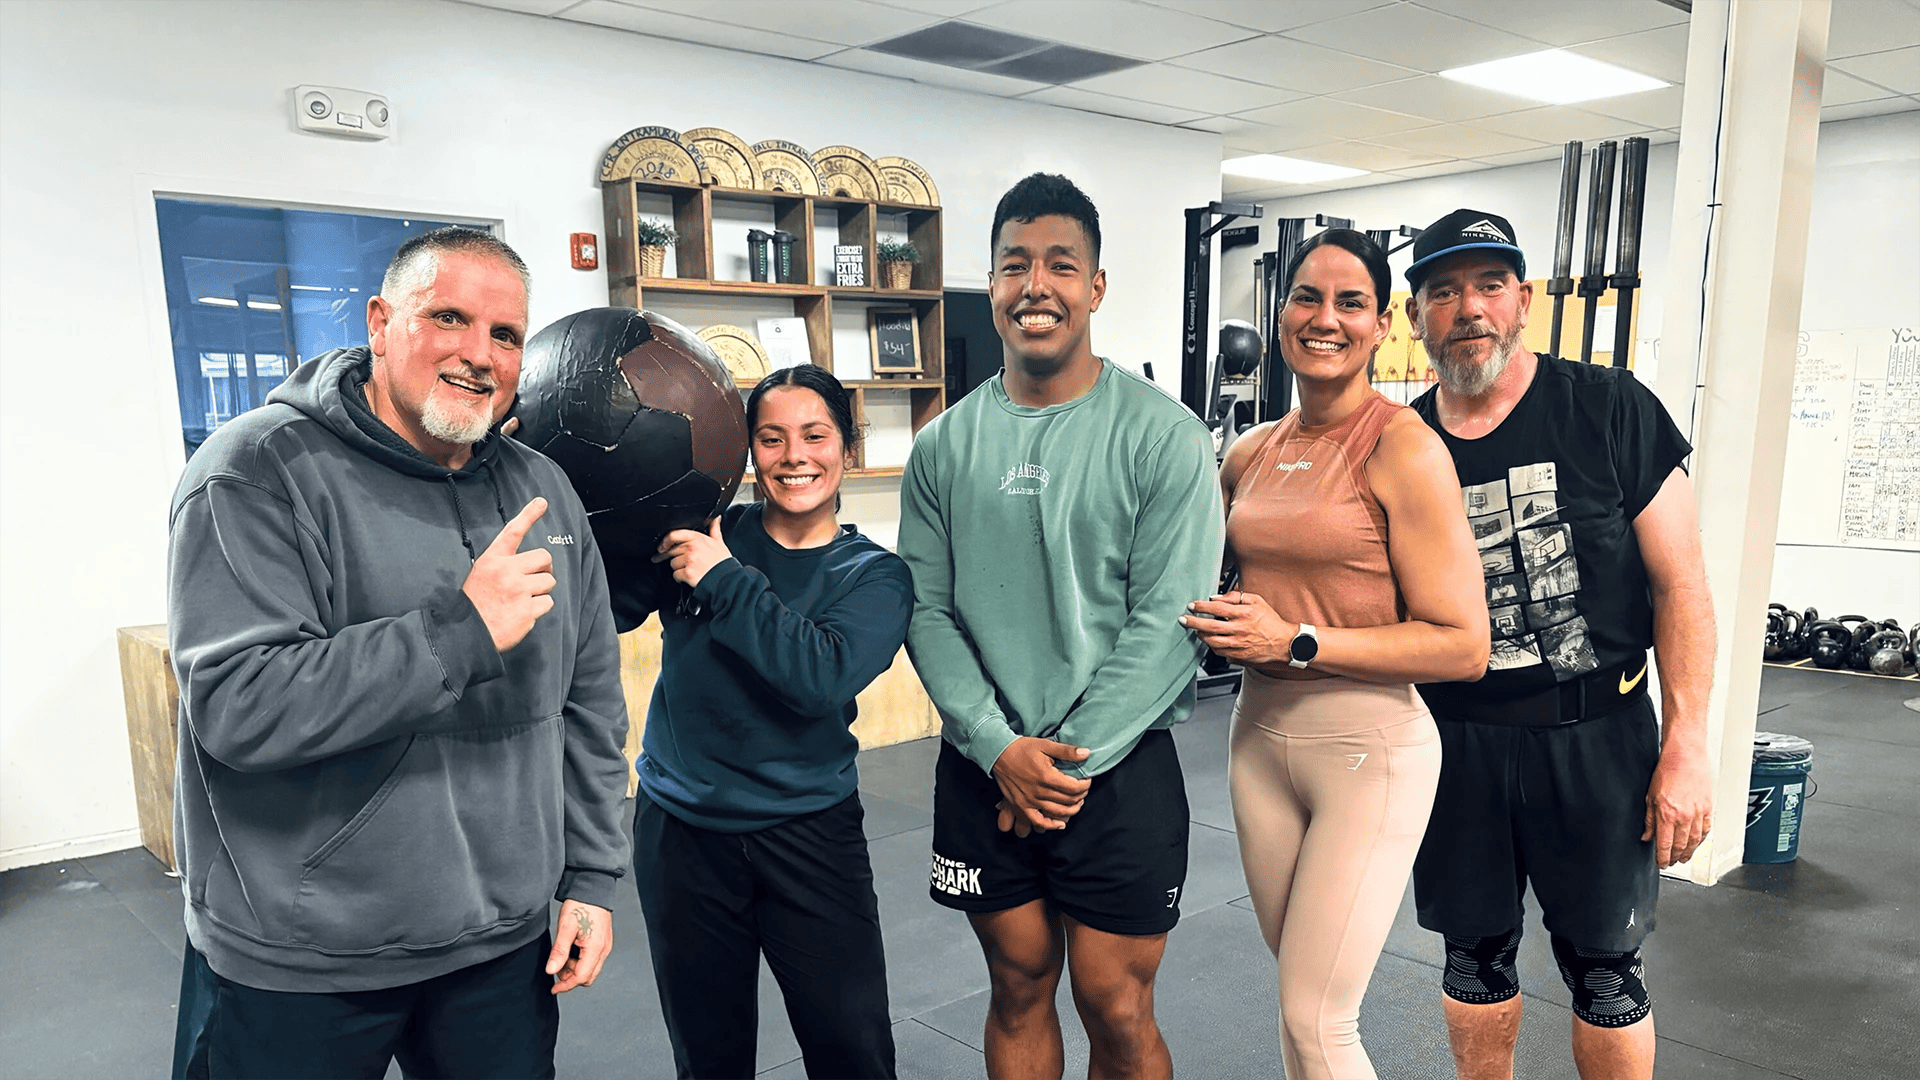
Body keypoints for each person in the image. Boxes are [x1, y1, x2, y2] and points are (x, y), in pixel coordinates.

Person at [166, 227, 630, 1079]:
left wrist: (594, 876)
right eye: (447, 317)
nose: (477, 353)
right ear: (380, 321)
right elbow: (239, 706)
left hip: (501, 943)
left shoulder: (542, 487)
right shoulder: (253, 471)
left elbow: (591, 701)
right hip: (306, 955)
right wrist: (457, 634)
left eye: (505, 334)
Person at [898, 172, 1224, 1080]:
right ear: (993, 284)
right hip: (985, 765)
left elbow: (1171, 622)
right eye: (1014, 266)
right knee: (1017, 983)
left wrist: (1058, 763)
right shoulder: (943, 446)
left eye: (1060, 266)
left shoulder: (1164, 436)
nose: (1035, 286)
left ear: (1096, 287)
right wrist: (1000, 748)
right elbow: (925, 608)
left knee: (1115, 1004)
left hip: (1113, 771)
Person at [1401, 209, 1716, 1080]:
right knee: (1473, 956)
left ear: (1524, 301)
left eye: (1489, 286)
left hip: (1597, 737)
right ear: (1415, 315)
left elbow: (1681, 586)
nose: (1469, 308)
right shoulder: (1399, 444)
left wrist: (1688, 746)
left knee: (1606, 971)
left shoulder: (1611, 408)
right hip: (1454, 738)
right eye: (1443, 291)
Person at [1180, 229, 1489, 1080]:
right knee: (1299, 999)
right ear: (1280, 314)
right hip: (1258, 741)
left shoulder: (1403, 447)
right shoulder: (1251, 452)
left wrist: (1298, 641)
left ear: (1381, 322)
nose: (1325, 319)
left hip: (1369, 751)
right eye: (1307, 298)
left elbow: (1463, 644)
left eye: (1350, 302)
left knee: (1320, 1018)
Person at [636, 365, 911, 1080]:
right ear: (748, 451)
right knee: (708, 1055)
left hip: (808, 835)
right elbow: (612, 599)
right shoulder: (704, 529)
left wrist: (723, 578)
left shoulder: (873, 576)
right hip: (682, 834)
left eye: (815, 435)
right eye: (771, 437)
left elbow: (818, 678)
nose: (794, 457)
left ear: (846, 448)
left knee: (852, 1050)